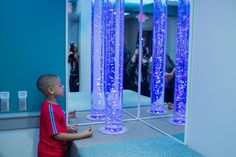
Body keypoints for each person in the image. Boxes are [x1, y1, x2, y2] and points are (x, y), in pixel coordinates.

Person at [37, 74, 93, 157]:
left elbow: (55, 127)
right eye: (60, 85)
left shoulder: (53, 104)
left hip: (57, 151)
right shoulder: (49, 109)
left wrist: (67, 128)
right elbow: (57, 135)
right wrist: (82, 135)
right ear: (51, 90)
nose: (63, 86)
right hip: (50, 153)